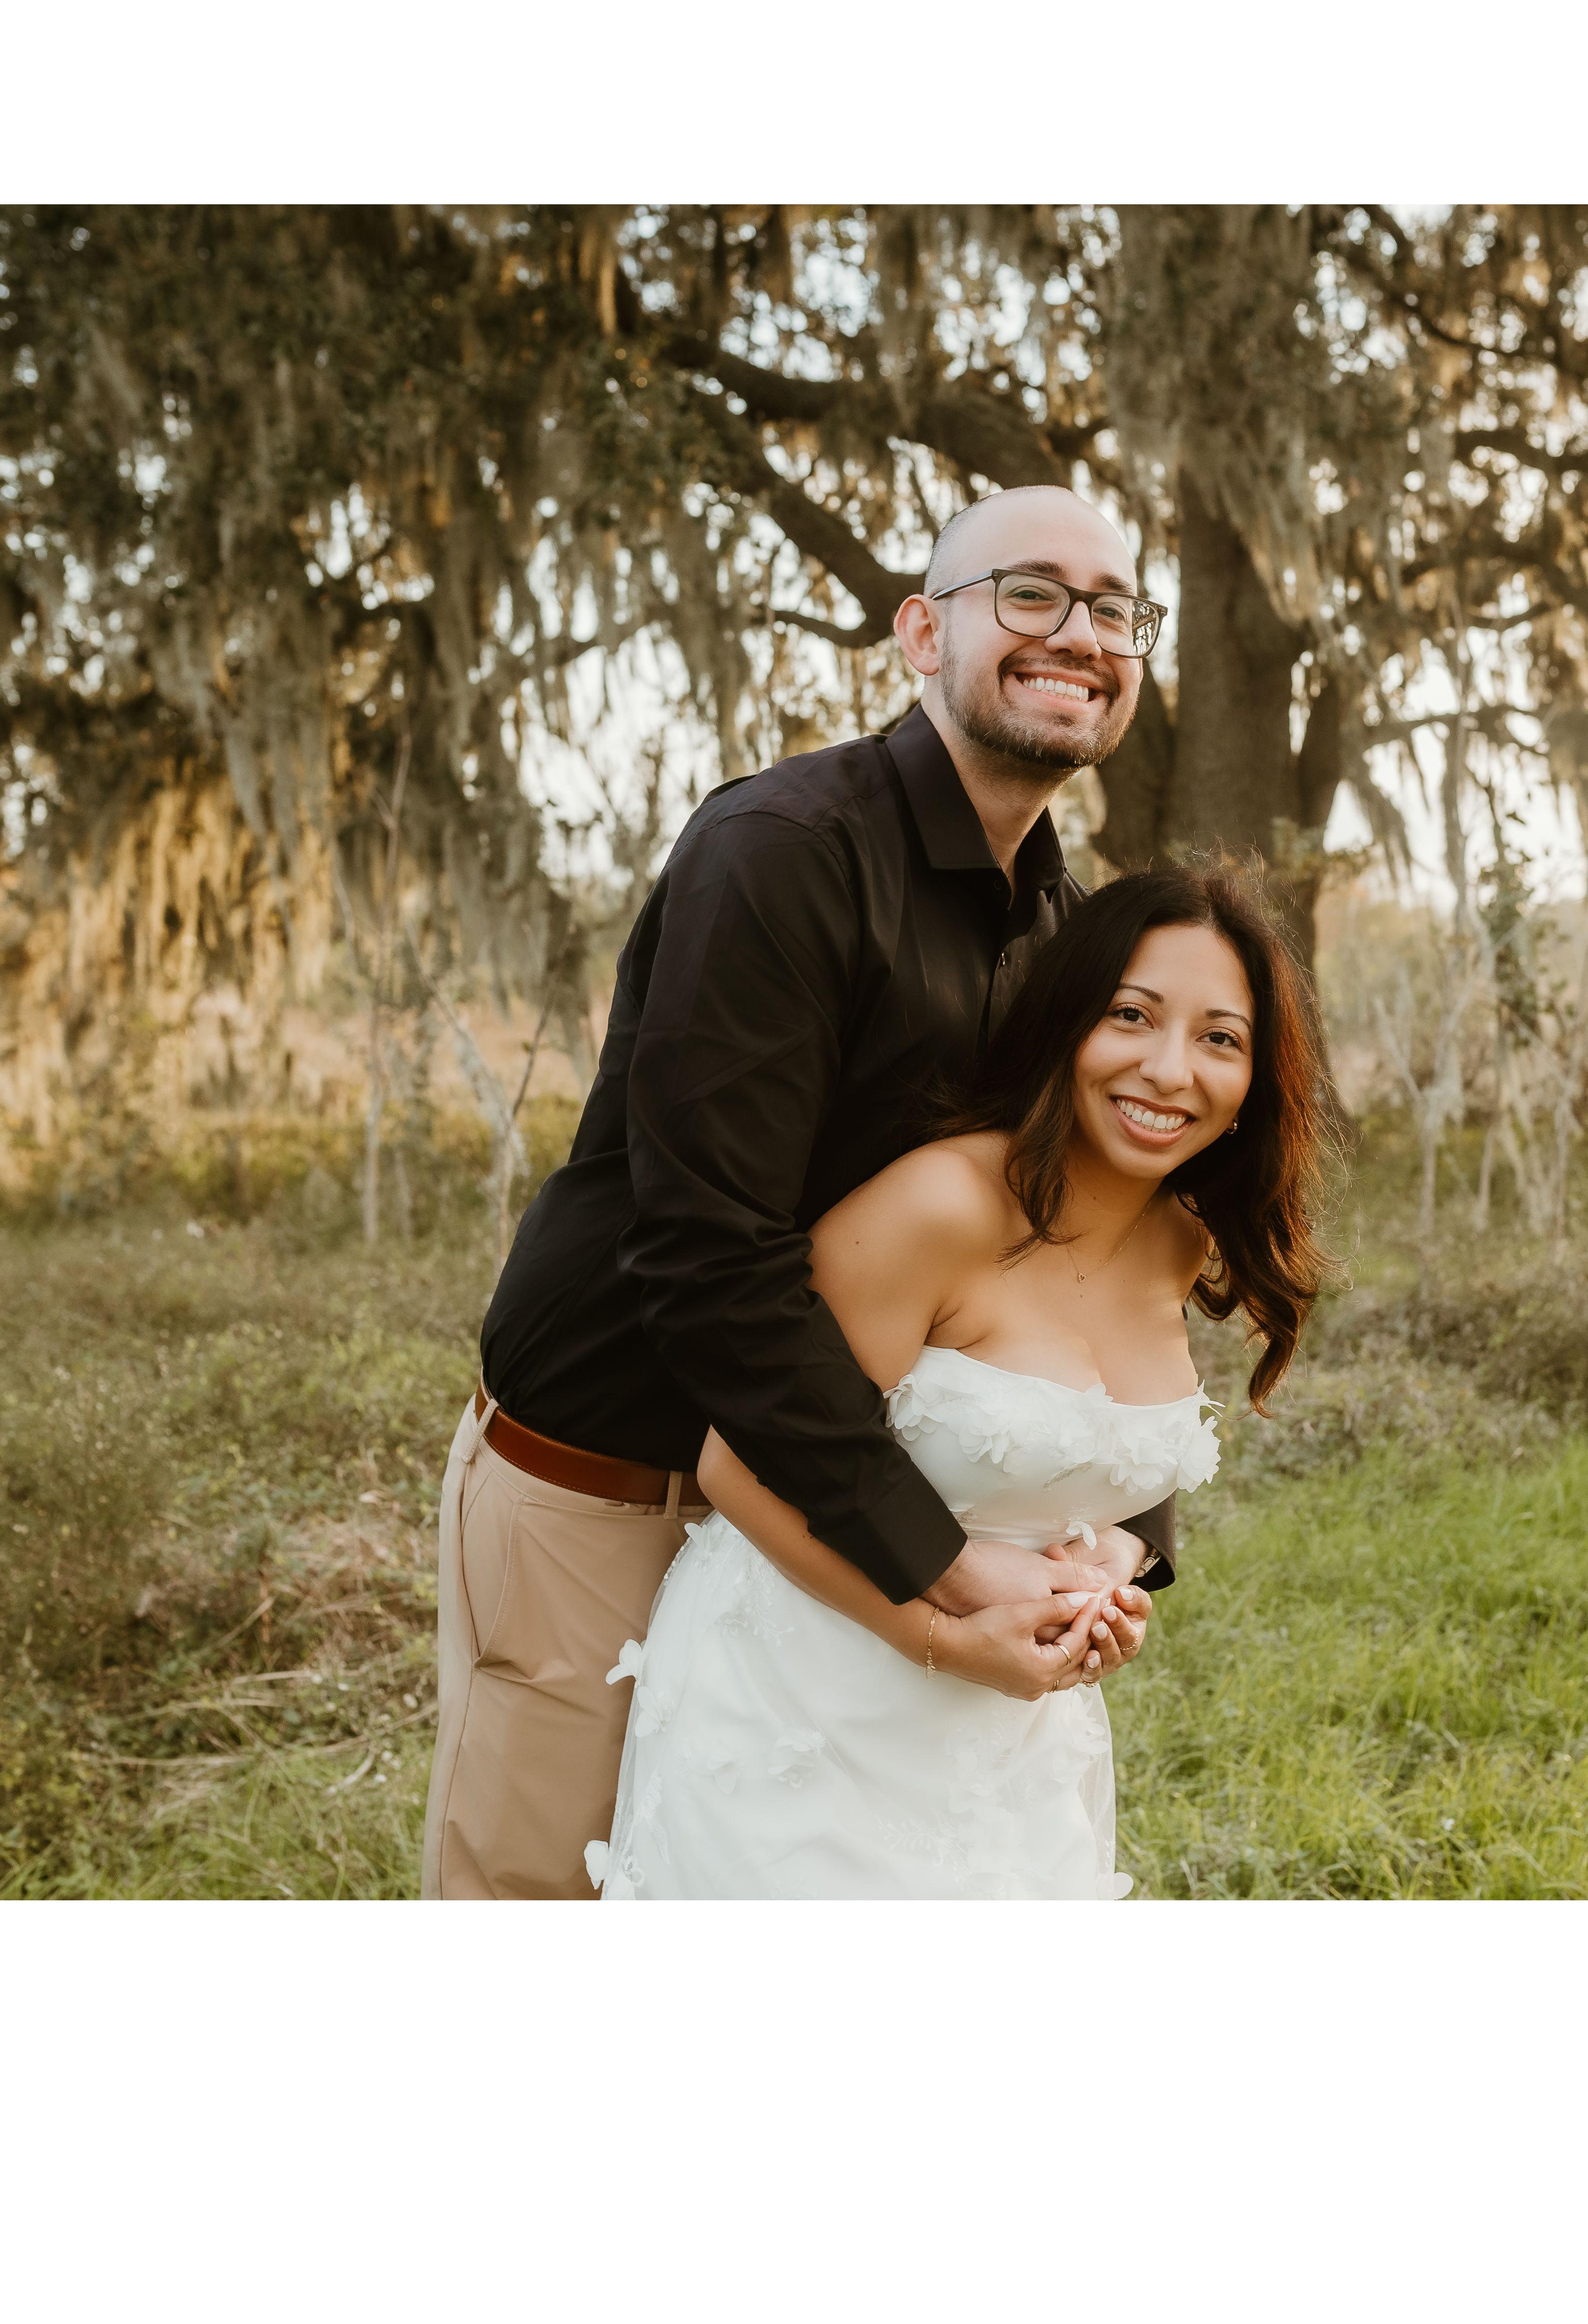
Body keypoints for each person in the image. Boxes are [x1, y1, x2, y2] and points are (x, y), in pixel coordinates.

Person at [422, 484, 1177, 1900]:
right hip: (621, 1479)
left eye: (1114, 608)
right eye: (1029, 592)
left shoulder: (1059, 922)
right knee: (553, 1892)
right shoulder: (781, 849)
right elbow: (710, 1255)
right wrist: (945, 1565)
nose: (1080, 633)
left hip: (830, 1505)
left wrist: (1106, 1538)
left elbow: (1072, 1241)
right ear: (921, 632)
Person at [589, 865, 1332, 1898]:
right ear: (1068, 1021)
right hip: (798, 1705)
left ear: (1257, 1079)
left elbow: (1099, 1440)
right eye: (1130, 1015)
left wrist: (1105, 1567)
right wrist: (939, 1638)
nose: (1169, 1070)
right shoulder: (941, 1205)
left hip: (1011, 1740)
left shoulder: (1178, 1239)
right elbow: (738, 1464)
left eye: (1219, 1037)